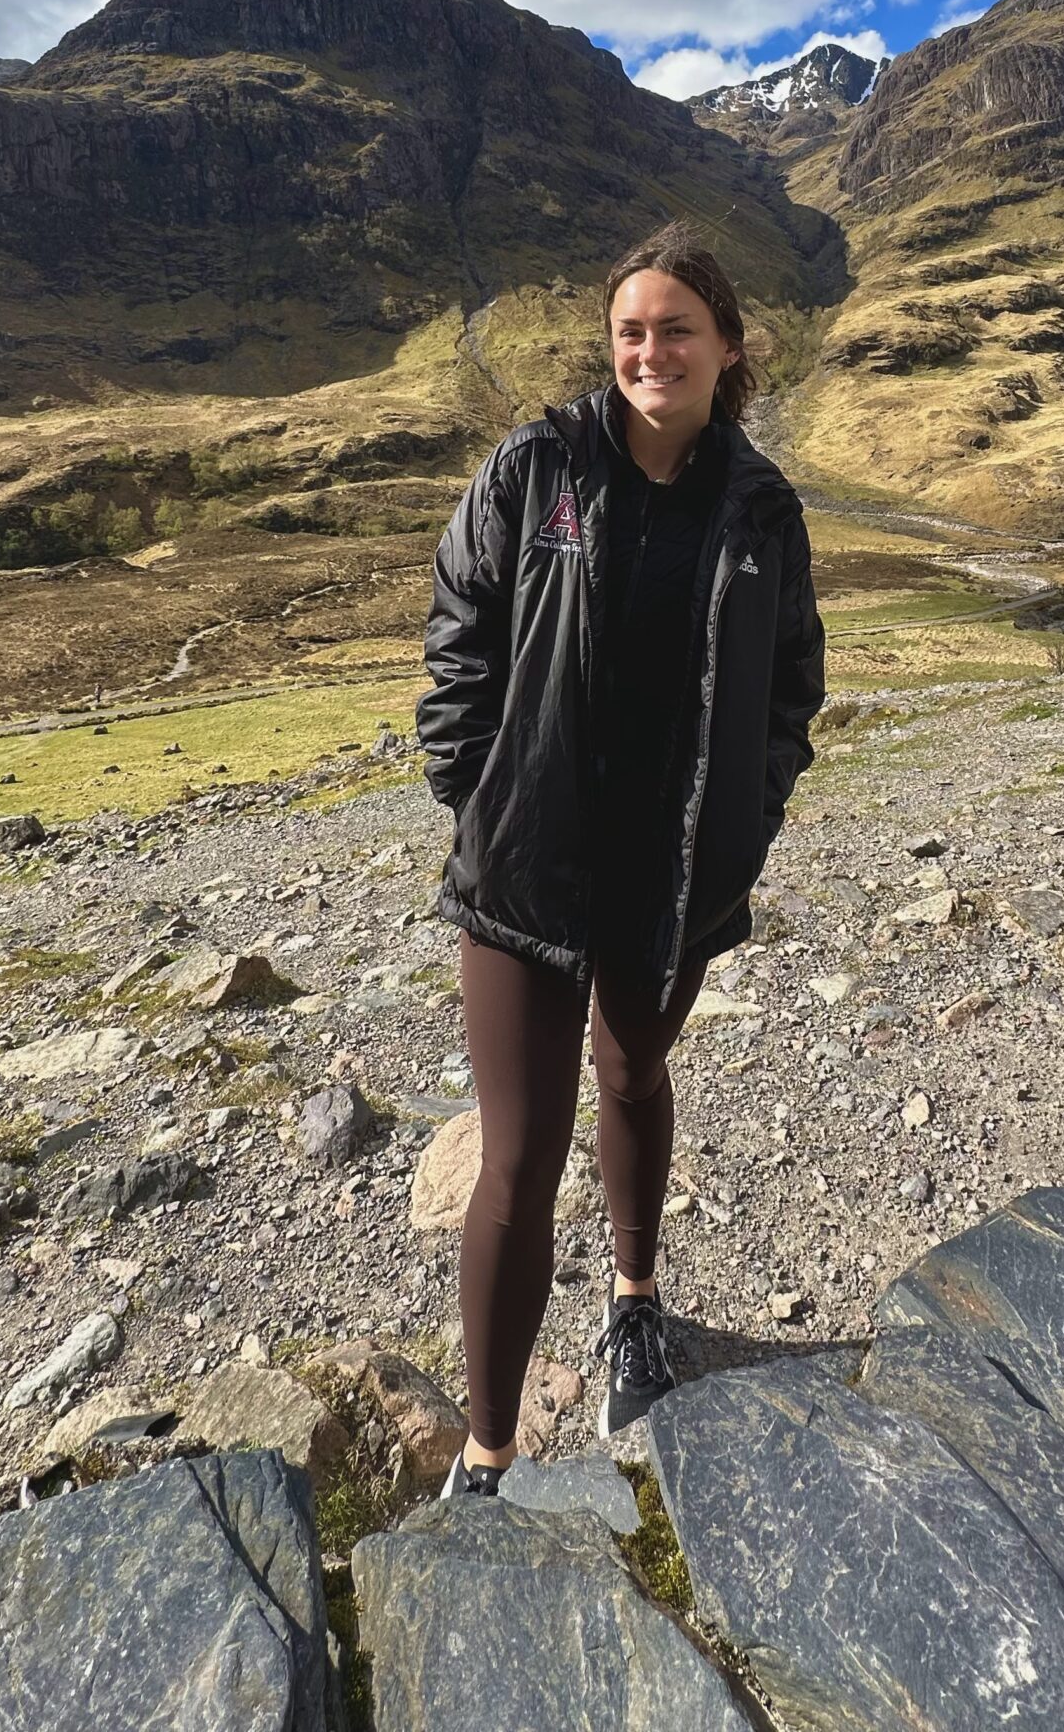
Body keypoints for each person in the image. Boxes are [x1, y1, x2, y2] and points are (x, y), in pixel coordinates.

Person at [415, 220, 826, 1497]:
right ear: (612, 346)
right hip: (528, 877)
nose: (652, 350)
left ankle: (636, 1303)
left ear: (727, 349)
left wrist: (748, 817)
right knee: (519, 1156)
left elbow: (789, 690)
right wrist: (478, 791)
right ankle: (488, 1457)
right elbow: (460, 628)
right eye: (631, 331)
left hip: (675, 875)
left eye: (677, 329)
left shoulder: (761, 508)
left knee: (636, 1069)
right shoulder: (537, 470)